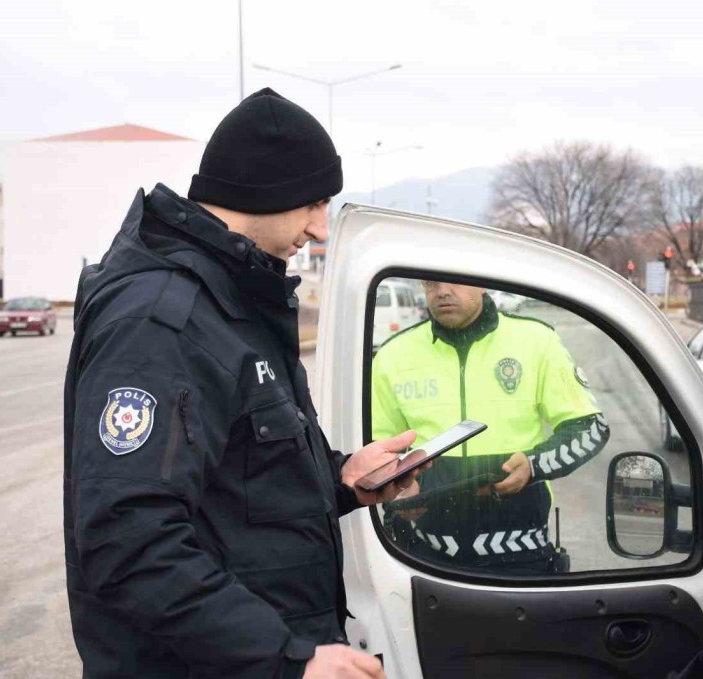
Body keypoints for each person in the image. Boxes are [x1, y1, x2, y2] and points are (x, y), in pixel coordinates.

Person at [63, 88, 421, 679]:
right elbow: (128, 539)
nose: (320, 228)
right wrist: (285, 661)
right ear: (265, 190)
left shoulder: (232, 301)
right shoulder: (163, 319)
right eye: (313, 203)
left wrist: (342, 480)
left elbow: (232, 489)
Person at [371, 281, 610, 574]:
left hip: (520, 554)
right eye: (432, 283)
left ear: (481, 282)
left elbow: (589, 428)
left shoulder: (536, 340)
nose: (442, 291)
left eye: (454, 279)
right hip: (420, 554)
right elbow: (375, 448)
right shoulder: (393, 354)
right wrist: (398, 486)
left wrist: (533, 465)